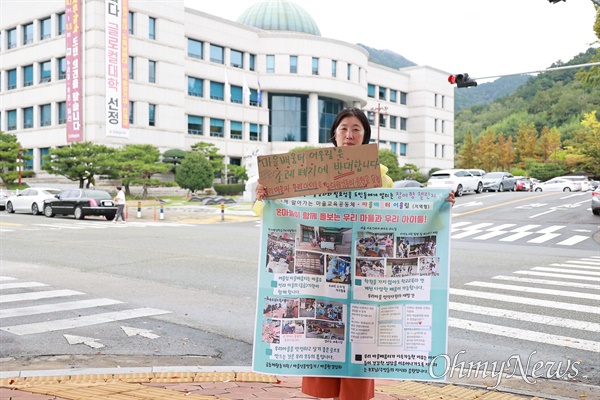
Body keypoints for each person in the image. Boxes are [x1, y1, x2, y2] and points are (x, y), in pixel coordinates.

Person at [255, 107, 455, 400]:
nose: (349, 135)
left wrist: (439, 204)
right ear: (334, 135)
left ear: (366, 136)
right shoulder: (308, 172)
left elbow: (398, 216)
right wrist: (263, 195)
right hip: (318, 277)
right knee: (322, 346)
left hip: (361, 277)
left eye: (356, 129)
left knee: (360, 343)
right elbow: (274, 211)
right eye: (344, 129)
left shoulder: (381, 177)